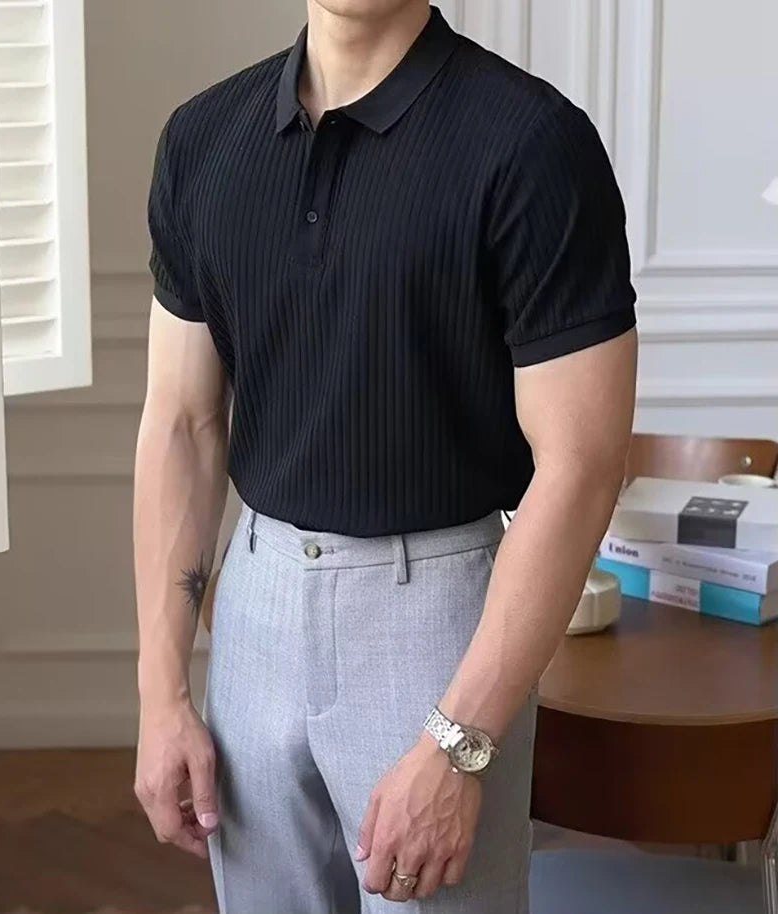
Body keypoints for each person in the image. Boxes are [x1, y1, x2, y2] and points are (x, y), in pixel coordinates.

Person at [132, 1, 638, 912]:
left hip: (437, 624)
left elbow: (581, 464)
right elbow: (182, 422)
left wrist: (458, 743)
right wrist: (160, 692)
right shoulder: (202, 140)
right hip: (254, 609)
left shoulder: (533, 143)